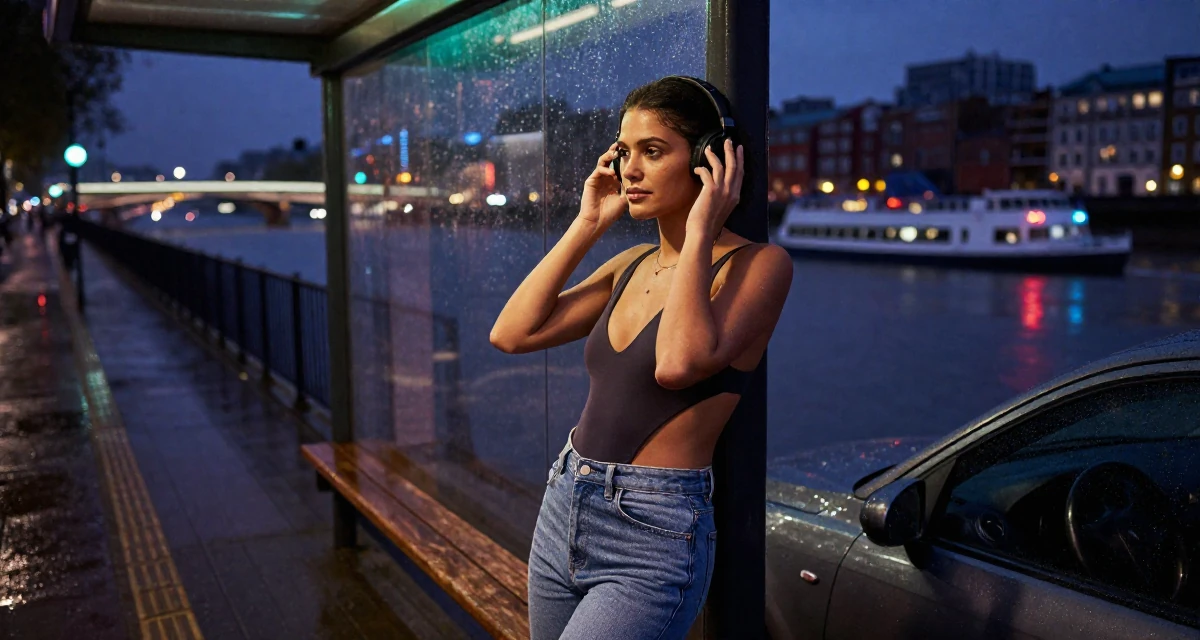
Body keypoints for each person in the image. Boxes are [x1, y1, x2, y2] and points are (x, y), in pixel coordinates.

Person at [490, 76, 793, 639]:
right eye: (625, 152)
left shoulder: (760, 266)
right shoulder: (629, 262)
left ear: (708, 163)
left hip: (652, 532)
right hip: (565, 500)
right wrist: (587, 224)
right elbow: (511, 333)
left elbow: (677, 364)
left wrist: (701, 228)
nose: (629, 170)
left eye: (653, 152)